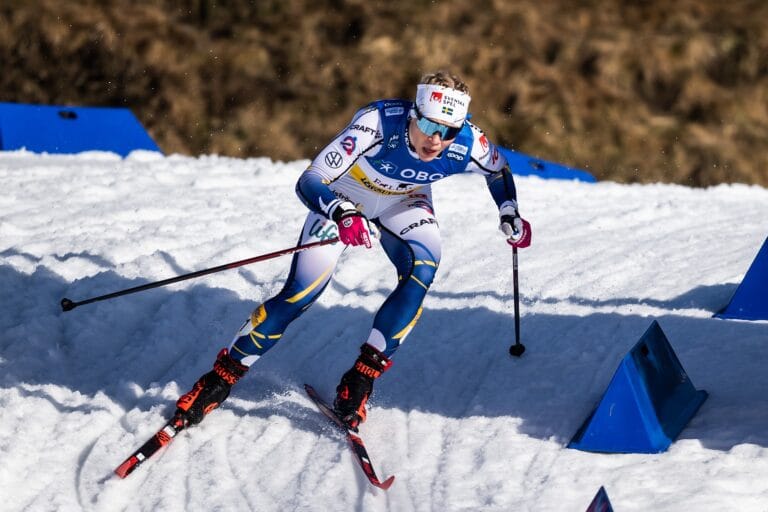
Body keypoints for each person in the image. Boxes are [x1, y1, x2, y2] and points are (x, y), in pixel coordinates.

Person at [174, 71, 532, 431]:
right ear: (414, 114)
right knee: (300, 294)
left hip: (404, 202)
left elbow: (498, 171)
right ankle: (219, 379)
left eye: (449, 130)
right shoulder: (377, 123)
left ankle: (359, 380)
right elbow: (311, 180)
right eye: (428, 124)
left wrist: (509, 211)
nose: (437, 139)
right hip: (345, 197)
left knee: (423, 270)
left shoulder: (470, 142)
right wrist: (342, 212)